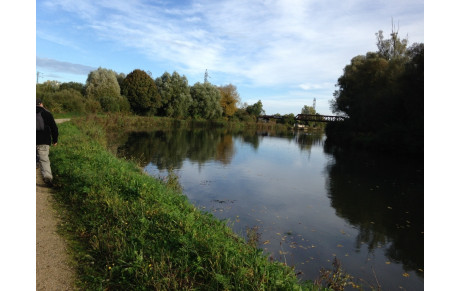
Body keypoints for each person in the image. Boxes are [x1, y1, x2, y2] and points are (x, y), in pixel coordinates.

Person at [36, 98, 58, 186]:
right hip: (44, 141)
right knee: (44, 160)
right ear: (41, 104)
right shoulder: (47, 113)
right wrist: (55, 140)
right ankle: (47, 178)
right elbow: (54, 128)